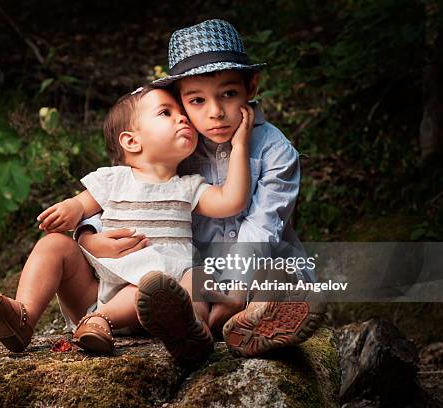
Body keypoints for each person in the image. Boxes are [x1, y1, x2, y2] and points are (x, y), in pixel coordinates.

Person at [78, 19, 325, 359]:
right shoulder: (179, 148)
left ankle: (253, 318)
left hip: (257, 265)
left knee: (278, 278)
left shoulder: (276, 151)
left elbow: (263, 228)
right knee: (189, 286)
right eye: (196, 101)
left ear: (251, 87)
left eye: (228, 93)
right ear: (180, 101)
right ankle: (220, 324)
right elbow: (129, 190)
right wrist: (88, 236)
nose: (216, 112)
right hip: (196, 277)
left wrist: (234, 286)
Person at [0, 84, 254, 363]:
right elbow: (82, 205)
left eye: (181, 113)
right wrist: (71, 209)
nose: (182, 118)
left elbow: (231, 201)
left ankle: (183, 329)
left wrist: (239, 145)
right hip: (97, 290)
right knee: (54, 245)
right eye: (166, 113)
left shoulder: (189, 187)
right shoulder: (113, 179)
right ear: (132, 141)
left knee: (189, 277)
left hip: (156, 301)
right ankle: (23, 316)